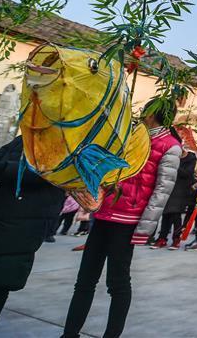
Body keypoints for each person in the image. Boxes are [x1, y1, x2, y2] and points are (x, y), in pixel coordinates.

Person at [61, 99, 182, 338]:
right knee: (84, 280)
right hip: (105, 213)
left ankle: (112, 335)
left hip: (127, 221)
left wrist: (144, 228)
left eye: (145, 110)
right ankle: (69, 334)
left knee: (117, 283)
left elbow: (161, 191)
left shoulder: (170, 146)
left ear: (152, 113)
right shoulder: (129, 135)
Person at [0, 135, 65, 322]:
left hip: (23, 224)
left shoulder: (69, 140)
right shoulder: (27, 135)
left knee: (1, 279)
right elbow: (0, 155)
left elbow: (43, 173)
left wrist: (1, 169)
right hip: (3, 215)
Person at [152, 144, 196, 250]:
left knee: (176, 216)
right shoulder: (172, 158)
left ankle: (176, 239)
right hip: (169, 188)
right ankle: (162, 238)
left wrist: (175, 166)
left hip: (181, 191)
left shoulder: (191, 158)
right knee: (166, 215)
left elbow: (188, 173)